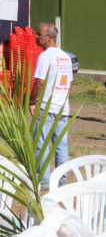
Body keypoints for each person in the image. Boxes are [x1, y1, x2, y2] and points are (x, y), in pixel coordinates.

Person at [30, 23, 73, 188]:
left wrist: (32, 101)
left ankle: (45, 181)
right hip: (62, 107)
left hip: (46, 107)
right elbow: (69, 84)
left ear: (50, 37)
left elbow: (39, 82)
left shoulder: (45, 56)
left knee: (41, 144)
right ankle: (62, 181)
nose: (36, 37)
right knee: (61, 145)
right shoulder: (66, 57)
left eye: (39, 35)